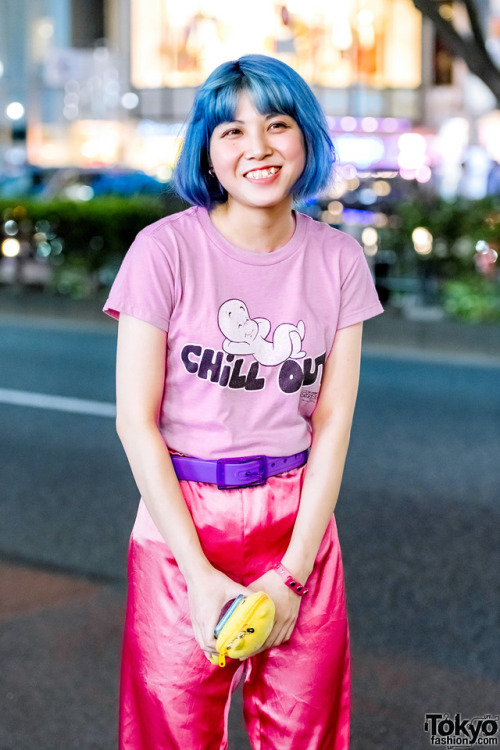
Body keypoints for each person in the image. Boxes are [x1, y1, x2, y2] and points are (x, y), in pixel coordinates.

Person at [104, 53, 383, 750]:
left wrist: (293, 574)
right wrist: (198, 576)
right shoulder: (162, 251)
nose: (257, 147)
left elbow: (333, 422)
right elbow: (135, 422)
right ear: (206, 150)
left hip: (298, 522)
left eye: (277, 124)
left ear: (306, 139)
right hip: (181, 524)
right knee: (171, 732)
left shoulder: (339, 260)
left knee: (305, 734)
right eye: (230, 131)